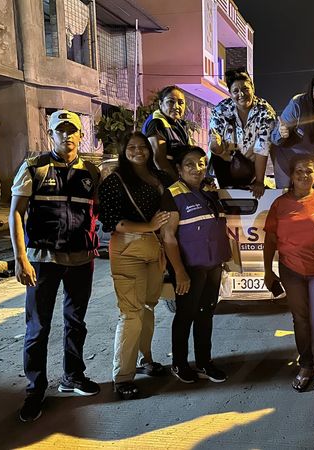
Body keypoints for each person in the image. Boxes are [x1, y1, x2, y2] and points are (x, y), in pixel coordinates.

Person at [9, 110, 101, 422]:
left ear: (80, 135)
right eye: (60, 130)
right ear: (51, 135)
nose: (67, 136)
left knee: (76, 323)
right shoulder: (34, 167)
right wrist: (21, 258)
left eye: (72, 130)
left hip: (81, 260)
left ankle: (72, 376)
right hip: (42, 260)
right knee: (38, 328)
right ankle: (35, 390)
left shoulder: (91, 172)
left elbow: (97, 212)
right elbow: (16, 213)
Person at [98, 131, 174, 400]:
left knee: (149, 306)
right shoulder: (115, 181)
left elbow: (180, 194)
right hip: (128, 248)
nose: (138, 151)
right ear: (124, 151)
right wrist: (149, 226)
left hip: (155, 248)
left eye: (143, 146)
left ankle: (146, 359)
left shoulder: (160, 177)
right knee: (131, 313)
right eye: (132, 147)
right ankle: (122, 377)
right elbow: (112, 221)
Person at [263, 156, 314, 393]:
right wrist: (268, 270)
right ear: (291, 176)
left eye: (308, 171)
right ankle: (306, 366)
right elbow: (270, 240)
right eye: (298, 171)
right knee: (300, 319)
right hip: (291, 271)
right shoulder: (280, 204)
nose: (303, 175)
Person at [161, 146, 231, 384]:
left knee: (206, 314)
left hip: (213, 264)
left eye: (201, 163)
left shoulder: (209, 191)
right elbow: (168, 236)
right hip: (190, 267)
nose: (197, 168)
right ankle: (179, 364)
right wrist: (179, 272)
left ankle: (204, 362)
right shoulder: (172, 194)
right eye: (190, 164)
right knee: (185, 315)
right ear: (179, 169)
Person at [209, 68, 277, 197]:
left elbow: (262, 148)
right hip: (226, 161)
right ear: (230, 93)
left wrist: (259, 181)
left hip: (252, 162)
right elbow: (215, 147)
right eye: (235, 91)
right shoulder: (220, 110)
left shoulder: (265, 111)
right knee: (228, 196)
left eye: (245, 89)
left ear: (252, 88)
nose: (241, 94)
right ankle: (227, 188)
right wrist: (216, 145)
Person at [143, 85, 193, 179]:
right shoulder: (156, 123)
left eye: (181, 103)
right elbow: (159, 160)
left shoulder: (180, 125)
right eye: (171, 101)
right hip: (163, 181)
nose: (176, 106)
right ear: (160, 103)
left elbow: (191, 153)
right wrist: (179, 183)